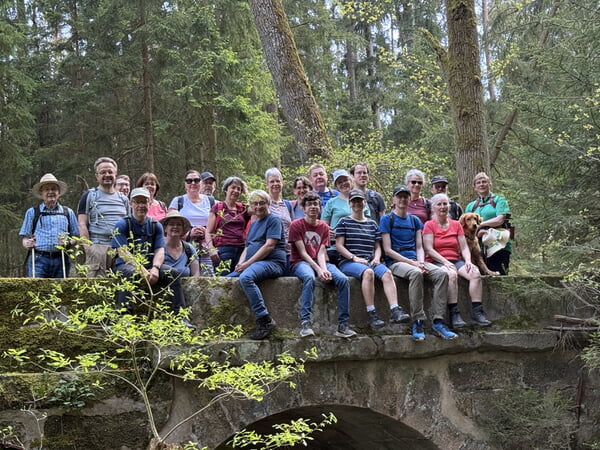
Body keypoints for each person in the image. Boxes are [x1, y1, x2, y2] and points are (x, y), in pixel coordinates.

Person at [111, 188, 195, 328]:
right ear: (131, 204)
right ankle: (124, 318)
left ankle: (179, 318)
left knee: (172, 273)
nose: (141, 205)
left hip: (150, 265)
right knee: (129, 273)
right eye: (137, 202)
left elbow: (159, 250)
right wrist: (142, 270)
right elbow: (123, 252)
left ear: (149, 203)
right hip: (126, 265)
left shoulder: (156, 226)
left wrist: (155, 268)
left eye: (144, 202)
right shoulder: (122, 224)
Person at [380, 185, 450, 341]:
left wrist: (420, 262)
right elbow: (387, 250)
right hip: (396, 261)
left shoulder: (415, 220)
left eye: (405, 196)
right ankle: (418, 320)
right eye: (399, 196)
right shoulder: (387, 219)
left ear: (409, 199)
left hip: (415, 260)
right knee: (416, 273)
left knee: (442, 274)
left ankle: (438, 321)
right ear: (393, 199)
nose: (403, 199)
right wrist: (414, 265)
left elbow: (419, 246)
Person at [335, 189, 407, 330]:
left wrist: (377, 258)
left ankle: (395, 310)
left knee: (387, 273)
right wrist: (354, 258)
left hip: (369, 260)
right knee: (368, 273)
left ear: (364, 203)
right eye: (354, 201)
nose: (357, 203)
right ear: (350, 203)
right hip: (349, 262)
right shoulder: (343, 222)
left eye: (359, 200)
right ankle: (371, 314)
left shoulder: (372, 224)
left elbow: (378, 246)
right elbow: (339, 246)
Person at [289, 192, 356, 338]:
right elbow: (303, 253)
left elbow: (320, 252)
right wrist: (318, 270)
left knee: (343, 280)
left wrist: (324, 270)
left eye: (316, 204)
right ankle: (305, 323)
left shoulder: (324, 227)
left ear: (320, 207)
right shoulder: (296, 225)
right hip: (301, 262)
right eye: (309, 204)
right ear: (303, 208)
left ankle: (343, 325)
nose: (313, 207)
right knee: (309, 277)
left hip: (320, 262)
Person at [423, 193, 492, 333]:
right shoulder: (429, 225)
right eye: (439, 204)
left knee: (475, 273)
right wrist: (444, 262)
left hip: (456, 260)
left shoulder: (456, 225)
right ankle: (455, 314)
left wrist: (468, 261)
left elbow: (464, 247)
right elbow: (429, 249)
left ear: (449, 206)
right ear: (433, 207)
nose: (443, 207)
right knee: (451, 275)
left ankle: (477, 312)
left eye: (445, 204)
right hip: (436, 261)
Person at [227, 190, 287, 340]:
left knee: (246, 277)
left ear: (268, 204)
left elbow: (269, 246)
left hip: (272, 262)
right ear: (251, 206)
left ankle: (264, 319)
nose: (258, 206)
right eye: (255, 203)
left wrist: (247, 264)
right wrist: (240, 263)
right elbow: (247, 247)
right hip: (254, 263)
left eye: (262, 203)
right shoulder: (253, 224)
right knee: (226, 279)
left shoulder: (274, 220)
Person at [20, 174, 79, 278]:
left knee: (60, 288)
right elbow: (25, 238)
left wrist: (68, 243)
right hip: (38, 259)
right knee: (37, 287)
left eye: (54, 189)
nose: (50, 192)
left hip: (61, 259)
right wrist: (27, 243)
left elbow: (76, 237)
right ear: (41, 193)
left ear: (59, 193)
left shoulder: (67, 212)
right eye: (47, 189)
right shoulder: (32, 212)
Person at [78, 157, 129, 277]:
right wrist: (88, 248)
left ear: (115, 174)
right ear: (97, 176)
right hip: (97, 247)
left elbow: (129, 225)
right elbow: (82, 223)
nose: (107, 175)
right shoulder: (89, 196)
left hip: (121, 249)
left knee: (123, 286)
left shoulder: (124, 199)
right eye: (103, 172)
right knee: (97, 286)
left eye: (110, 172)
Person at [169, 170, 215, 276]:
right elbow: (169, 225)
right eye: (189, 181)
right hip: (184, 247)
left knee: (208, 278)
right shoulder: (178, 201)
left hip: (206, 247)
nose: (193, 183)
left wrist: (206, 232)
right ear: (185, 184)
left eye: (196, 180)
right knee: (185, 276)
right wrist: (189, 233)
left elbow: (218, 225)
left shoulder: (211, 201)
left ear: (201, 183)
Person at [465, 172, 512, 275]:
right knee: (478, 277)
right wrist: (477, 234)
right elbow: (466, 228)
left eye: (484, 182)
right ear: (475, 187)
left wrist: (481, 225)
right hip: (477, 247)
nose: (481, 184)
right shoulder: (471, 206)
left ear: (490, 184)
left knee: (499, 276)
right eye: (478, 183)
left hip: (499, 244)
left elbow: (500, 219)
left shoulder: (500, 199)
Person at [322, 169, 370, 264]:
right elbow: (323, 226)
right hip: (336, 247)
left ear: (351, 181)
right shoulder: (331, 203)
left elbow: (368, 223)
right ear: (336, 186)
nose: (343, 184)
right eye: (339, 182)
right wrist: (326, 231)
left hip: (358, 246)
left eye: (345, 180)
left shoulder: (361, 201)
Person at [206, 176, 251, 275]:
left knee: (239, 280)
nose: (236, 191)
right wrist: (211, 249)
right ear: (226, 190)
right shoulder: (218, 207)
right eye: (233, 187)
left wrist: (247, 193)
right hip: (223, 251)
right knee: (223, 280)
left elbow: (257, 208)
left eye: (239, 189)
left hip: (241, 251)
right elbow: (208, 231)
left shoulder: (243, 208)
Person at [161, 210, 200, 277]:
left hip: (185, 283)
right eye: (171, 224)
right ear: (165, 228)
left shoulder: (189, 249)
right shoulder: (158, 248)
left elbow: (196, 274)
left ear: (182, 229)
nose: (175, 227)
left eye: (179, 224)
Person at [265, 168, 293, 260]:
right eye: (272, 181)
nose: (275, 184)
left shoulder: (288, 205)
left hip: (289, 253)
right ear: (267, 185)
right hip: (271, 253)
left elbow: (293, 228)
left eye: (278, 181)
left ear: (282, 183)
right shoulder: (263, 204)